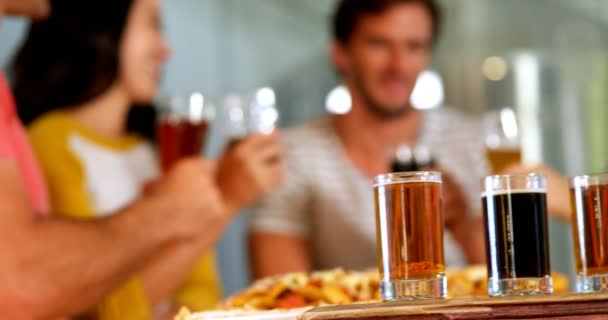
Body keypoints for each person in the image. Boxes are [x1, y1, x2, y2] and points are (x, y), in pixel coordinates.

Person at [0, 1, 280, 319]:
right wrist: (225, 200)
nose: (166, 49)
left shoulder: (156, 147)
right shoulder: (51, 141)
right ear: (107, 28)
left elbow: (202, 287)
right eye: (153, 25)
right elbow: (95, 310)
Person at [250, 0, 489, 279]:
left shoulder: (470, 142)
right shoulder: (294, 154)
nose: (398, 66)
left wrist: (463, 226)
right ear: (340, 53)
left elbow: (516, 292)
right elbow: (279, 291)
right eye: (379, 44)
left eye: (414, 47)